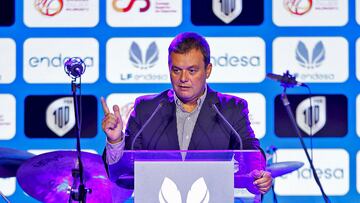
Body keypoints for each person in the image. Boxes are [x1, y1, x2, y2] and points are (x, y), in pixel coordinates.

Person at [101, 32, 272, 194]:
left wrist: (257, 174)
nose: (183, 78)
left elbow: (250, 150)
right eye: (176, 70)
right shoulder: (147, 109)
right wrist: (115, 140)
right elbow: (125, 171)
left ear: (208, 70)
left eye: (192, 70)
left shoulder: (231, 108)